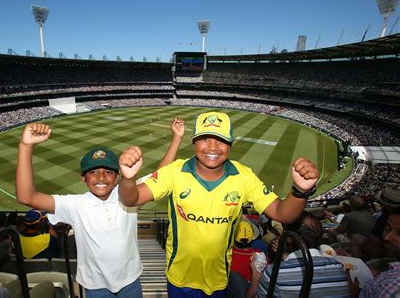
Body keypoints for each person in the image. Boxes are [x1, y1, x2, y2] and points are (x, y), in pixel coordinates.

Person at [118, 111, 320, 297]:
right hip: (178, 278)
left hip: (218, 280)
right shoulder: (175, 171)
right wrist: (127, 178)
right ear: (194, 142)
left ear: (230, 144)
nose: (213, 147)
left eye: (221, 140)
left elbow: (283, 214)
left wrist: (300, 191)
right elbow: (131, 198)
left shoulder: (243, 177)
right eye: (205, 139)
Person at [16, 117, 185, 297]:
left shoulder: (129, 195)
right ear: (83, 177)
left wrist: (177, 138)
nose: (102, 177)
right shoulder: (75, 204)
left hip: (131, 282)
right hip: (95, 287)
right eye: (93, 171)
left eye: (108, 171)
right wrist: (26, 147)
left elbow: (160, 175)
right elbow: (26, 197)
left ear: (118, 176)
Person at [248, 212, 350, 298]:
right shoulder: (337, 266)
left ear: (289, 237)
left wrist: (256, 276)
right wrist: (285, 256)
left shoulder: (274, 272)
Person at [347, 206, 400, 297]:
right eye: (387, 228)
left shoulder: (391, 289)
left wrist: (355, 294)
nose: (387, 238)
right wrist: (355, 263)